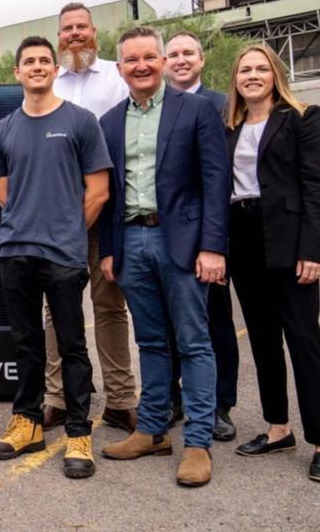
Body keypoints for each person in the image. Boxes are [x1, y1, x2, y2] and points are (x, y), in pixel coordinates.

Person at [98, 26, 229, 488]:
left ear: (162, 61)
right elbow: (109, 193)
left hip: (184, 243)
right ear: (120, 69)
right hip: (131, 242)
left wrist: (213, 246)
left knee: (194, 342)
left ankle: (197, 443)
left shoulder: (196, 110)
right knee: (150, 342)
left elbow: (216, 181)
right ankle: (152, 430)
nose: (141, 66)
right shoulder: (110, 122)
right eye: (131, 60)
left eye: (149, 57)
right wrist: (110, 251)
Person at [0, 35, 111, 479]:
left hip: (64, 254)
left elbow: (98, 191)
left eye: (44, 60)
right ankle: (28, 423)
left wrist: (65, 228)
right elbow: (6, 197)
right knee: (25, 344)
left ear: (55, 70)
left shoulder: (81, 122)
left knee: (72, 346)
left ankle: (78, 431)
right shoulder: (1, 131)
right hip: (15, 251)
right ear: (17, 73)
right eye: (28, 61)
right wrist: (33, 222)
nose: (37, 66)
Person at [224, 44, 320, 482]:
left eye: (262, 68)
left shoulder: (301, 118)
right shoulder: (231, 126)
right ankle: (278, 427)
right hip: (244, 239)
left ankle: (319, 438)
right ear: (236, 80)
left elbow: (314, 187)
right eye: (246, 69)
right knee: (263, 340)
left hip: (288, 238)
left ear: (275, 74)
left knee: (304, 340)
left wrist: (312, 250)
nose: (253, 75)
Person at [43, 2, 137, 434]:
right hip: (57, 217)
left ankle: (120, 399)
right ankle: (57, 398)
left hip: (105, 212)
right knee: (54, 312)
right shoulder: (47, 80)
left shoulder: (117, 79)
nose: (74, 34)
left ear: (94, 32)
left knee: (109, 307)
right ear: (58, 35)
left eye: (82, 27)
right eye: (67, 29)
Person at [164, 31, 239, 441]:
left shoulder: (223, 107)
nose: (180, 60)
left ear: (202, 59)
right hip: (170, 235)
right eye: (172, 54)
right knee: (173, 323)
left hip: (209, 232)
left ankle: (219, 406)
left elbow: (221, 176)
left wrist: (217, 243)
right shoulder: (155, 108)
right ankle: (176, 399)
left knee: (216, 323)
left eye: (187, 53)